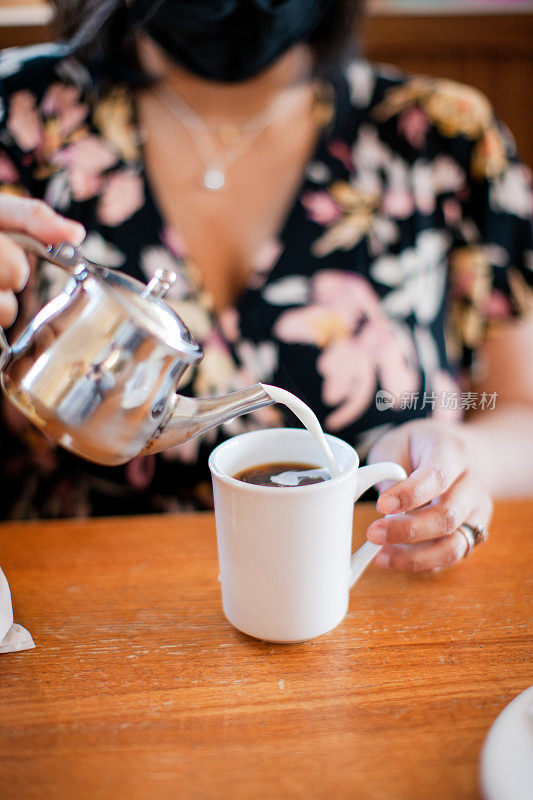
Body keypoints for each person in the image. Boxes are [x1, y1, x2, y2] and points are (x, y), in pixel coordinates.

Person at [0, 0, 531, 570]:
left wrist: (465, 460)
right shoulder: (19, 114)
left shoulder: (443, 136)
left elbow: (522, 412)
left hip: (365, 604)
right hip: (64, 606)